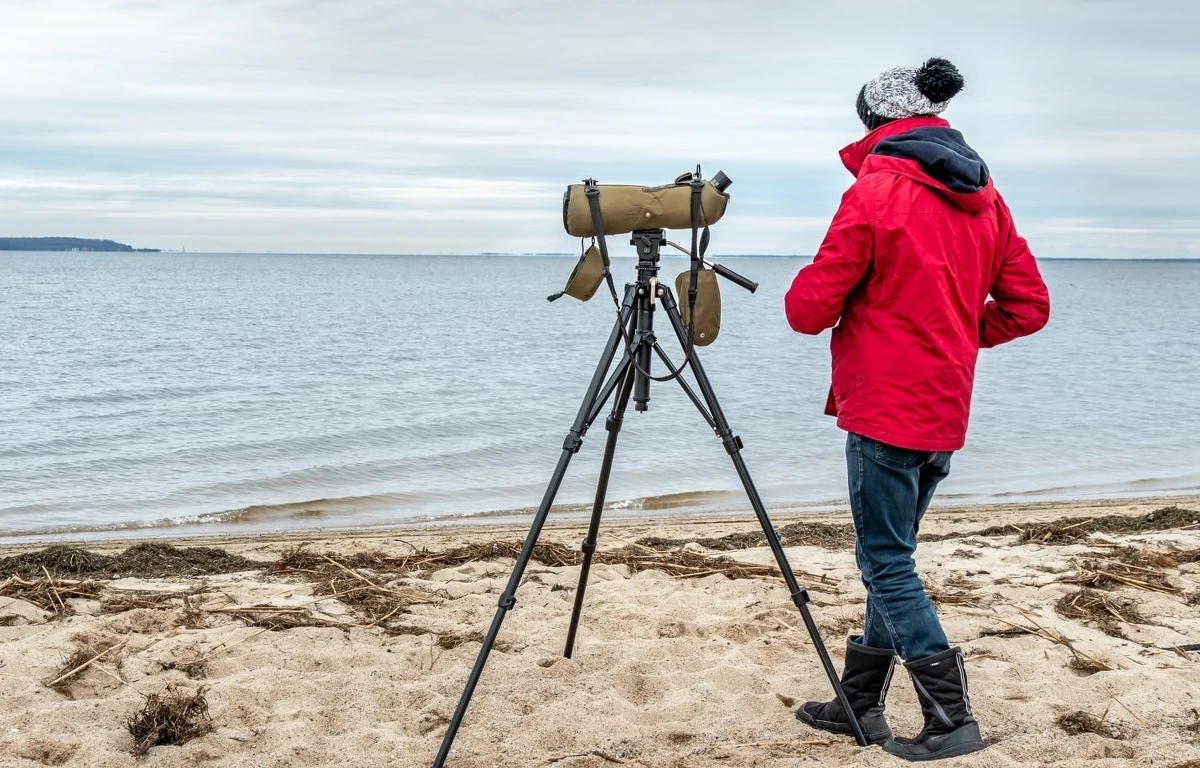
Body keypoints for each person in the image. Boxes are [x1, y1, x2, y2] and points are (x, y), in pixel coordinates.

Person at [784, 57, 1050, 761]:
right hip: (942, 407)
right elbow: (1029, 307)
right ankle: (859, 706)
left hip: (885, 409)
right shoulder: (987, 198)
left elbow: (808, 312)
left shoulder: (876, 192)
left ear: (876, 126)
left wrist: (852, 306)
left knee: (886, 564)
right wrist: (957, 334)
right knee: (891, 554)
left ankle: (950, 720)